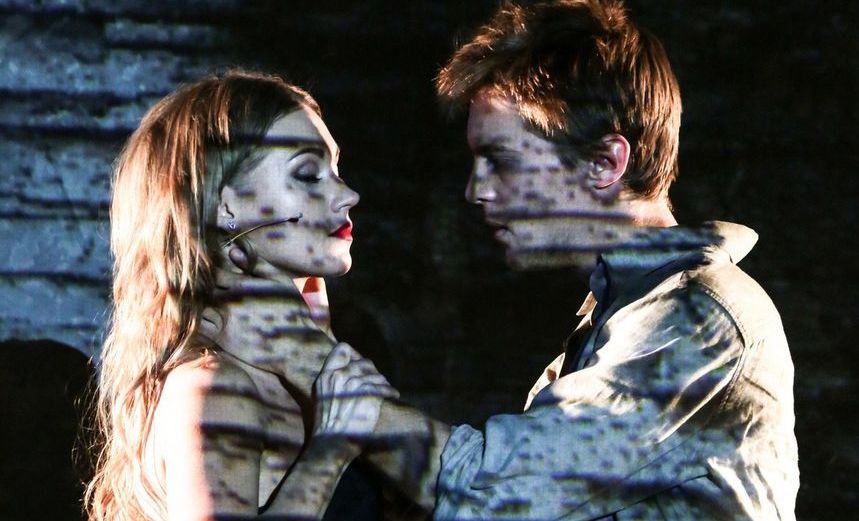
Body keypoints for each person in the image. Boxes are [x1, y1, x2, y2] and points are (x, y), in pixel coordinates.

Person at [318, 1, 798, 519]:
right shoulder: (618, 321)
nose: (476, 191)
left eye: (500, 161)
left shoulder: (696, 320)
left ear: (605, 162)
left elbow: (492, 491)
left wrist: (319, 372)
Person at [84, 70, 395, 521]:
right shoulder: (216, 388)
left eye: (336, 170)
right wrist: (331, 448)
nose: (347, 195)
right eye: (308, 175)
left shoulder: (277, 376)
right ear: (226, 205)